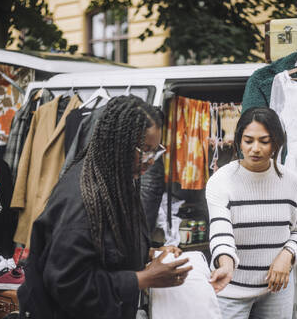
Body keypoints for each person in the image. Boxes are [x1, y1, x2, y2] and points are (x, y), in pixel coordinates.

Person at [17, 95, 193, 319]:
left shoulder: (117, 182)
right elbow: (68, 283)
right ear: (117, 143)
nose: (150, 160)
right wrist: (143, 278)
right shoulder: (81, 201)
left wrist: (150, 254)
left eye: (155, 150)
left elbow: (105, 248)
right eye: (144, 150)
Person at [207, 107, 297, 319]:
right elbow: (220, 231)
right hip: (230, 291)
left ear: (276, 143)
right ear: (238, 141)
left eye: (264, 141)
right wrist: (226, 264)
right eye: (248, 140)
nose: (255, 148)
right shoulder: (221, 180)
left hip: (277, 290)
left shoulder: (292, 182)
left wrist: (287, 255)